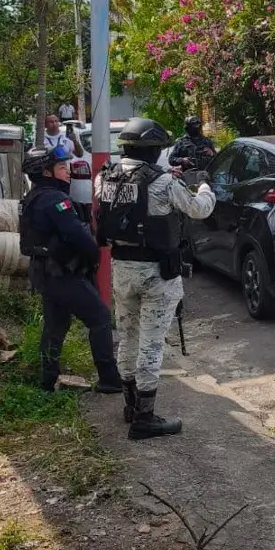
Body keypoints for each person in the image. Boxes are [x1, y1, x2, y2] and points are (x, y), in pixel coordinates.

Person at [96, 117, 216, 440]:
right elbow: (198, 208)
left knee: (128, 335)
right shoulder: (162, 183)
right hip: (156, 274)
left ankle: (129, 406)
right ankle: (145, 418)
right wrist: (204, 184)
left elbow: (134, 196)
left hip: (122, 269)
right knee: (151, 343)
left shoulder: (103, 178)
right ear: (151, 151)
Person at [19, 142, 123, 394]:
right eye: (61, 167)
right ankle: (109, 380)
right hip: (61, 273)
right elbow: (79, 236)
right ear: (46, 172)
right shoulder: (55, 199)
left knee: (55, 327)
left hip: (44, 272)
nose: (67, 171)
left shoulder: (32, 198)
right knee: (99, 318)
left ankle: (47, 381)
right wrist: (93, 257)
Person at [42, 114, 90, 220]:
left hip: (63, 176)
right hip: (49, 176)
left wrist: (74, 140)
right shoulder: (42, 139)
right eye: (51, 122)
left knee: (63, 199)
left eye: (56, 121)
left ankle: (64, 218)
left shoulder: (66, 137)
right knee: (50, 199)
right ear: (46, 125)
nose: (54, 124)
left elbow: (79, 154)